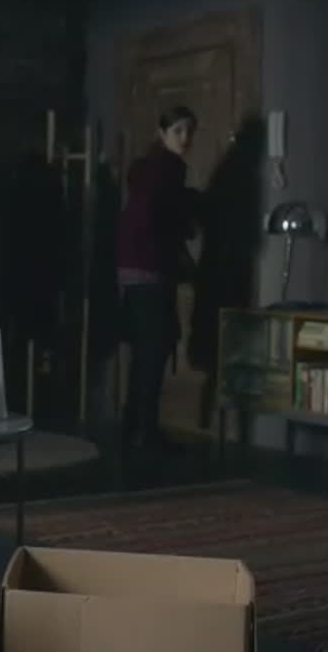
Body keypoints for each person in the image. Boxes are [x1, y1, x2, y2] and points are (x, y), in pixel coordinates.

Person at [115, 105, 200, 454]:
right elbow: (157, 218)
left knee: (147, 350)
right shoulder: (166, 169)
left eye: (189, 131)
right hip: (150, 268)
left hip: (134, 268)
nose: (185, 138)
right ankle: (144, 430)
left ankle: (134, 425)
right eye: (178, 130)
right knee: (155, 349)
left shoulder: (150, 168)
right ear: (162, 132)